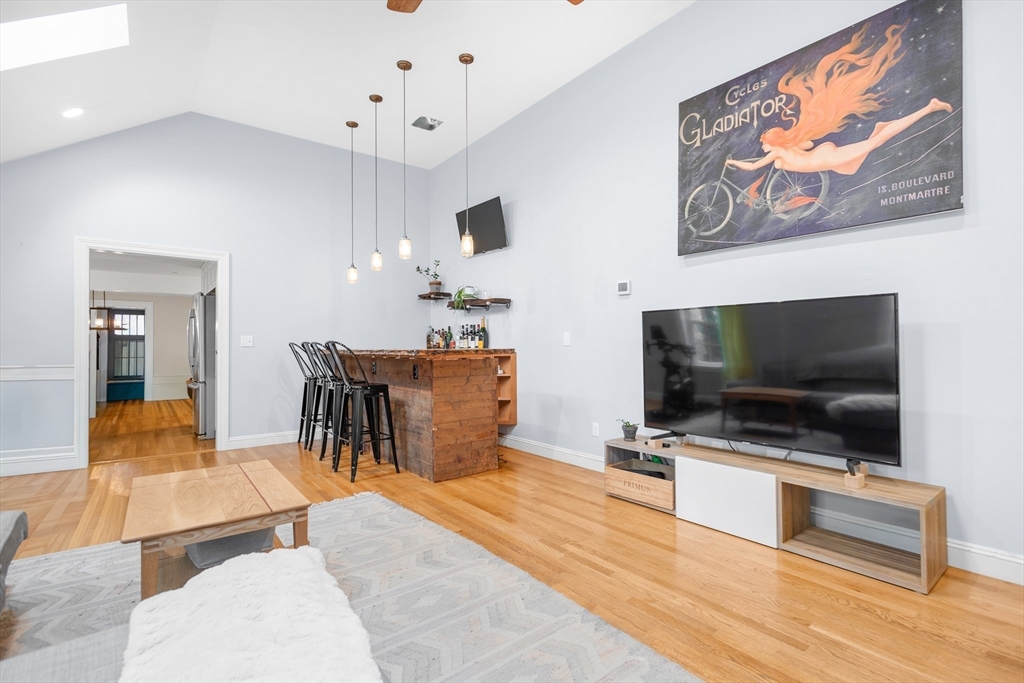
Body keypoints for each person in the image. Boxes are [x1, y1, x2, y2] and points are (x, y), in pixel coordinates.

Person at [727, 22, 952, 177]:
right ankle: (882, 128)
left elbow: (754, 166)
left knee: (876, 143)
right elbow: (805, 145)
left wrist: (733, 162)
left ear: (774, 143)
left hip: (827, 158)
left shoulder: (779, 152)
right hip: (824, 157)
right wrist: (789, 142)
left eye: (765, 143)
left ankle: (928, 108)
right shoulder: (788, 148)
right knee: (853, 165)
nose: (763, 146)